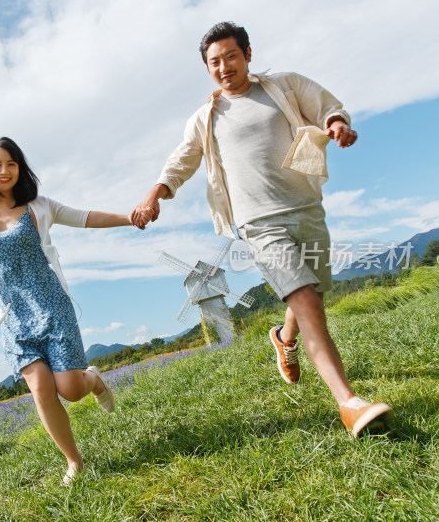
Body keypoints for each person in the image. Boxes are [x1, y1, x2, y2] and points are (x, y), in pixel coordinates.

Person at [131, 22, 394, 437]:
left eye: (230, 56)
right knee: (307, 300)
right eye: (213, 62)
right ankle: (349, 402)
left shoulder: (283, 86)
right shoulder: (206, 117)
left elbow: (325, 105)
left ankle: (283, 338)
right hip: (257, 223)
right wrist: (155, 193)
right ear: (207, 68)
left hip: (306, 208)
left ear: (248, 54)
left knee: (313, 291)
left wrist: (337, 122)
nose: (223, 67)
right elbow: (183, 159)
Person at [0, 137, 147, 483]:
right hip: (14, 318)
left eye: (11, 164)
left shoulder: (39, 205)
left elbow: (84, 217)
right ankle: (74, 462)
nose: (4, 171)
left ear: (20, 168)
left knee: (71, 391)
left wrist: (129, 218)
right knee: (41, 390)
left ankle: (92, 380)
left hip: (52, 306)